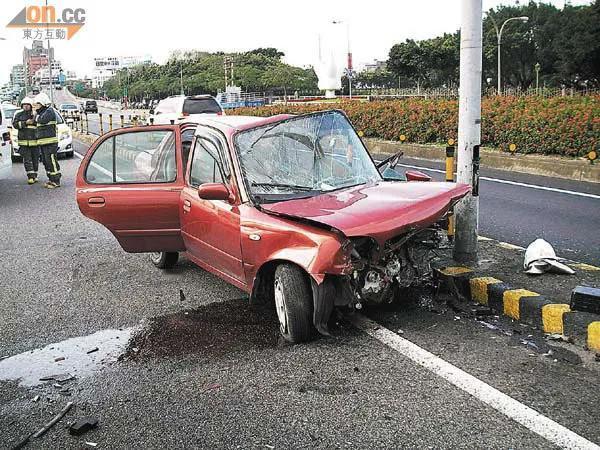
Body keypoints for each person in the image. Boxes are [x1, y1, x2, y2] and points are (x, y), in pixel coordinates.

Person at [32, 93, 61, 189]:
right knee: (46, 161)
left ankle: (56, 180)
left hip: (50, 142)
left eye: (37, 104)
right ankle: (51, 179)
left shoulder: (49, 111)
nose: (35, 106)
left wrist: (36, 116)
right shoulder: (41, 112)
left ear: (42, 103)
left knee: (51, 160)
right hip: (44, 142)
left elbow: (42, 120)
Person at [12, 97, 40, 184]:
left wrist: (34, 120)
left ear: (31, 106)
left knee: (35, 159)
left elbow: (40, 123)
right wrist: (25, 123)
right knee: (27, 160)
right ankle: (30, 176)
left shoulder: (35, 114)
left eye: (28, 105)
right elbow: (15, 124)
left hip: (35, 142)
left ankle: (35, 174)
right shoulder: (19, 115)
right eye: (24, 105)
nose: (26, 106)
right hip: (24, 142)